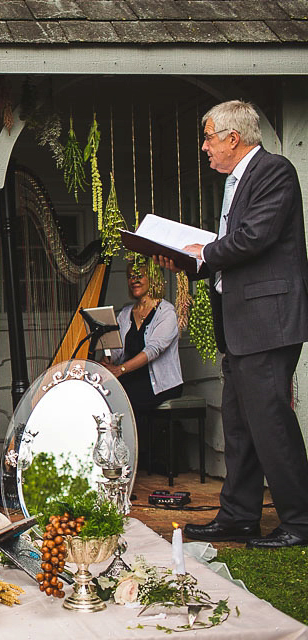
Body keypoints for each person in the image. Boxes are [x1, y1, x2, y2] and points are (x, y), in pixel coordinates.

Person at [157, 100, 308, 549]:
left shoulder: (273, 171)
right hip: (242, 323)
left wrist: (203, 252)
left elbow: (255, 237)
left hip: (268, 320)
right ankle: (240, 516)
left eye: (208, 138)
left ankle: (300, 522)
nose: (205, 147)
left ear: (232, 138)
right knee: (241, 427)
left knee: (271, 423)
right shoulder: (236, 181)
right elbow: (232, 250)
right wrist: (188, 261)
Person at [103, 262, 183, 466]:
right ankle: (110, 461)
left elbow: (153, 350)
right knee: (102, 395)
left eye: (140, 275)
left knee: (122, 400)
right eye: (130, 276)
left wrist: (120, 370)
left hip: (161, 383)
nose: (134, 280)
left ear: (153, 279)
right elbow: (116, 350)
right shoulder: (125, 313)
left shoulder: (167, 312)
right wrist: (106, 361)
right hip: (131, 377)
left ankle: (125, 465)